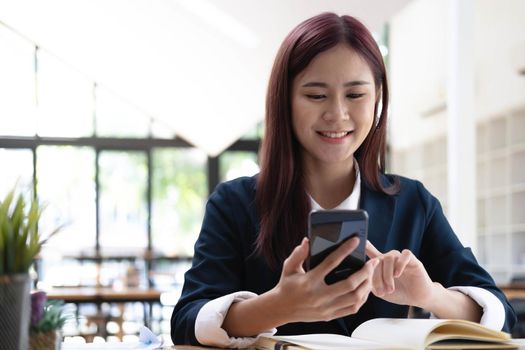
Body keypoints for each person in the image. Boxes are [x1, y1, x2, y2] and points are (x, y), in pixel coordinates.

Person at [170, 12, 516, 347]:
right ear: (284, 101)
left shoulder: (413, 203)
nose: (337, 114)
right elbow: (187, 320)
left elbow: (499, 313)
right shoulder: (234, 203)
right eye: (316, 95)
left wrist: (430, 294)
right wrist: (277, 306)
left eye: (355, 94)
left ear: (378, 98)